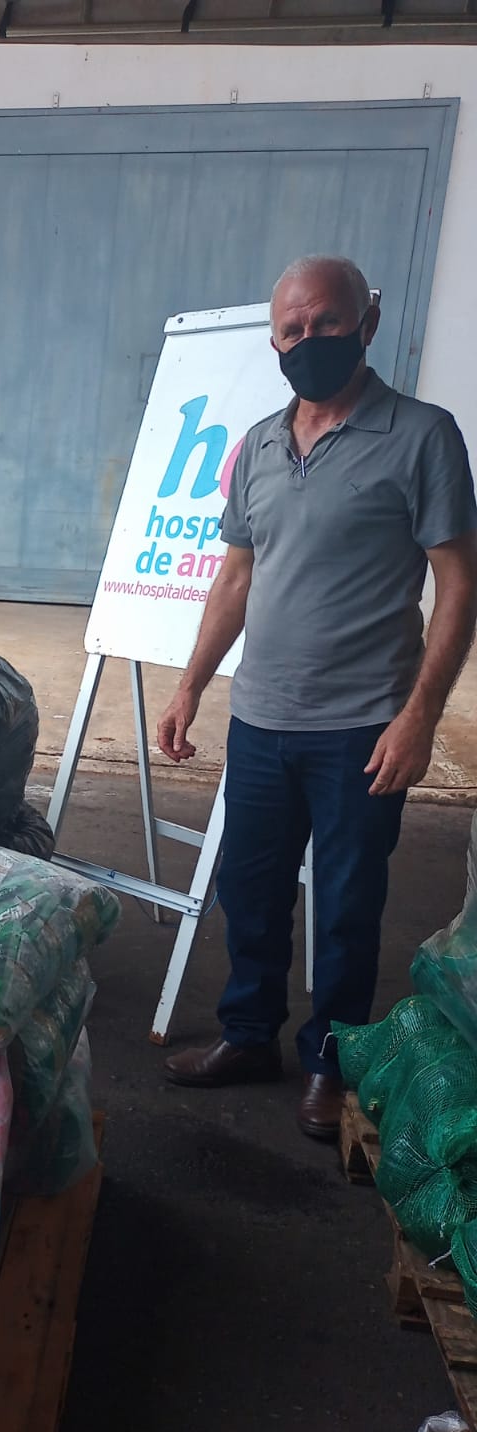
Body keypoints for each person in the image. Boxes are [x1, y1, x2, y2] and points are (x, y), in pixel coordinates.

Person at [158, 254, 477, 1140]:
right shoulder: (260, 444)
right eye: (291, 331)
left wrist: (420, 716)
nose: (308, 341)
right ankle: (247, 1035)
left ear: (366, 322)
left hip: (363, 728)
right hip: (262, 720)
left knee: (346, 906)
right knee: (250, 890)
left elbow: (459, 584)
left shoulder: (423, 436)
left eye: (326, 323)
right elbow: (235, 577)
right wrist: (189, 687)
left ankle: (331, 1064)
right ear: (274, 342)